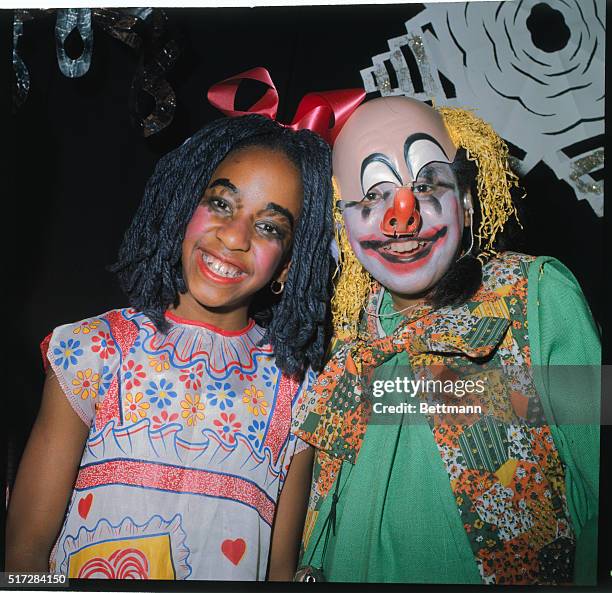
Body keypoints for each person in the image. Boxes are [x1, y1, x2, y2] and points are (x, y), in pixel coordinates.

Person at [6, 111, 335, 580]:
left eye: (270, 228)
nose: (234, 237)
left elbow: (279, 575)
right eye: (222, 203)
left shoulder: (299, 394)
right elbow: (24, 554)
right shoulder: (96, 350)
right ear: (185, 207)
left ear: (287, 267)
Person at [293, 96, 600, 585]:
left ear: (466, 198)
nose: (401, 216)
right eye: (372, 196)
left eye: (426, 183)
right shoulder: (347, 343)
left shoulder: (534, 297)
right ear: (342, 221)